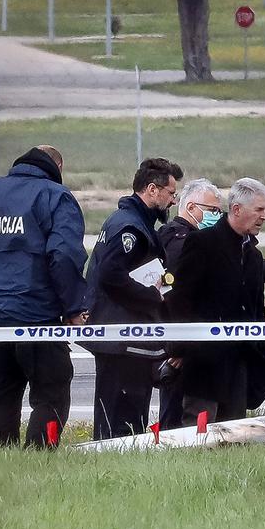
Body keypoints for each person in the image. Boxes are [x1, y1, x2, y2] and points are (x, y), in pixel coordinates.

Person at [0, 145, 87, 448]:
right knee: (51, 397)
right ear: (58, 168)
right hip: (37, 320)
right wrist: (74, 307)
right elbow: (63, 255)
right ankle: (39, 460)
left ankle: (0, 465)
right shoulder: (55, 196)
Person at [158, 178, 265, 427]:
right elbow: (181, 299)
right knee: (199, 431)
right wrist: (180, 348)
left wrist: (262, 353)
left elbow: (256, 311)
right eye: (259, 209)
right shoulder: (201, 243)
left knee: (234, 431)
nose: (264, 216)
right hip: (204, 364)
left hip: (239, 364)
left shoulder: (253, 255)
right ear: (236, 209)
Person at [83, 157, 182, 440]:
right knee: (121, 425)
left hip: (124, 337)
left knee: (124, 420)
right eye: (171, 193)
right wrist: (152, 296)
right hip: (123, 341)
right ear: (152, 190)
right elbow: (110, 275)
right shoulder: (130, 227)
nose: (173, 200)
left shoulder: (131, 221)